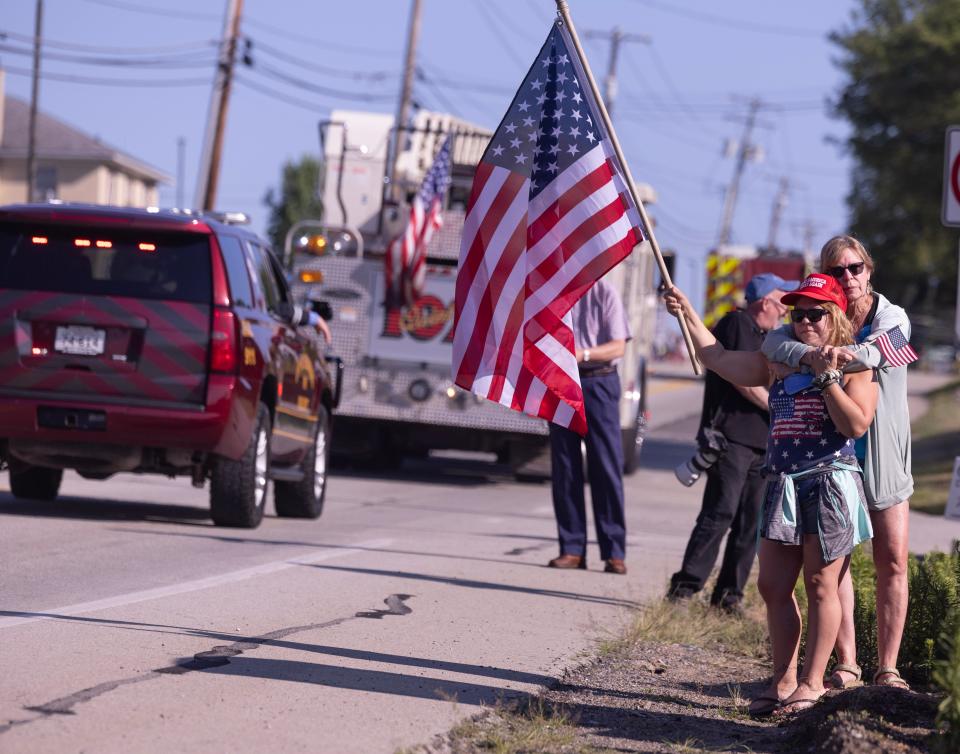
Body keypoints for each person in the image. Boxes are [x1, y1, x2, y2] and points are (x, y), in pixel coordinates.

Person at [665, 273, 878, 717]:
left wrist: (827, 379)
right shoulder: (777, 359)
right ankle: (781, 679)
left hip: (829, 481)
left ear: (835, 316)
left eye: (814, 314)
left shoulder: (857, 364)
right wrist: (687, 312)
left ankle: (812, 683)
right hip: (782, 480)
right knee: (772, 585)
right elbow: (718, 357)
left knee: (822, 585)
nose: (804, 322)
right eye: (797, 313)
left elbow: (855, 426)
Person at [762, 236, 915, 690]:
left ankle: (889, 668)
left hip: (881, 447)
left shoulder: (892, 316)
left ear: (869, 269)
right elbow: (773, 342)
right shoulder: (817, 313)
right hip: (831, 454)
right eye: (837, 270)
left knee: (892, 558)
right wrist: (808, 352)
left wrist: (836, 357)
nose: (847, 278)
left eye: (855, 268)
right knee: (834, 563)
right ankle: (847, 663)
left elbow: (883, 352)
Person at [667, 273, 798, 613]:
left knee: (749, 522)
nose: (786, 309)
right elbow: (743, 381)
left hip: (761, 442)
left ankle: (729, 596)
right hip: (731, 439)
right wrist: (777, 406)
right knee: (720, 512)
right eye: (782, 300)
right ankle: (685, 588)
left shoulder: (770, 336)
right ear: (766, 302)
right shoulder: (738, 323)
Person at [548, 276, 631, 575]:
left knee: (606, 465)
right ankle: (571, 548)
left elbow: (617, 346)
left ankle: (614, 551)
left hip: (599, 380)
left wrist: (581, 353)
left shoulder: (605, 291)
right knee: (565, 466)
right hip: (563, 382)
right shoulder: (554, 293)